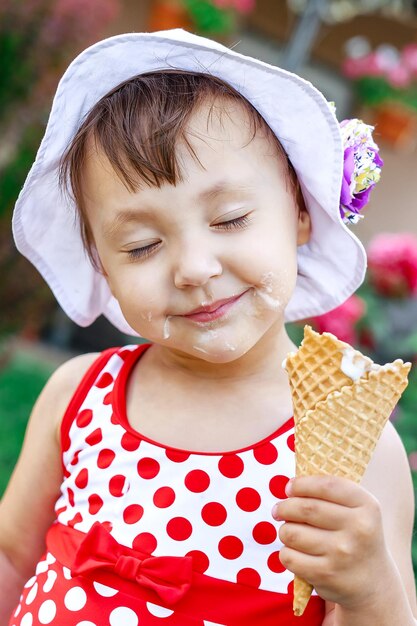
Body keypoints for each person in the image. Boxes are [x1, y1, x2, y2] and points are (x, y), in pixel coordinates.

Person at [1, 29, 416, 626]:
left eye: (231, 218)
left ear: (300, 212)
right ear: (102, 266)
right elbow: (13, 551)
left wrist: (370, 589)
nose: (195, 268)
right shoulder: (77, 395)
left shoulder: (357, 453)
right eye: (142, 246)